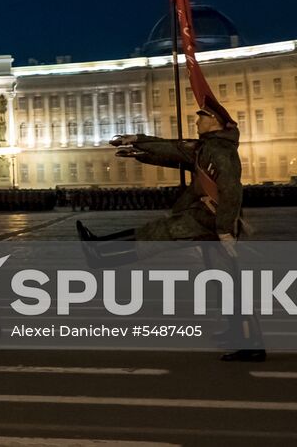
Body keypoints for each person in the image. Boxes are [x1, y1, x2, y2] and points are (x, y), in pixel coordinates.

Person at [78, 100, 263, 362]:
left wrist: (224, 230)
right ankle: (236, 332)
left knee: (162, 233)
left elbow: (232, 189)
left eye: (202, 117)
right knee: (222, 280)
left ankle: (251, 343)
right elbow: (172, 149)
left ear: (215, 122)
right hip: (209, 219)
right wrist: (139, 143)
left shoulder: (220, 151)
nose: (196, 121)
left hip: (210, 220)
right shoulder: (208, 147)